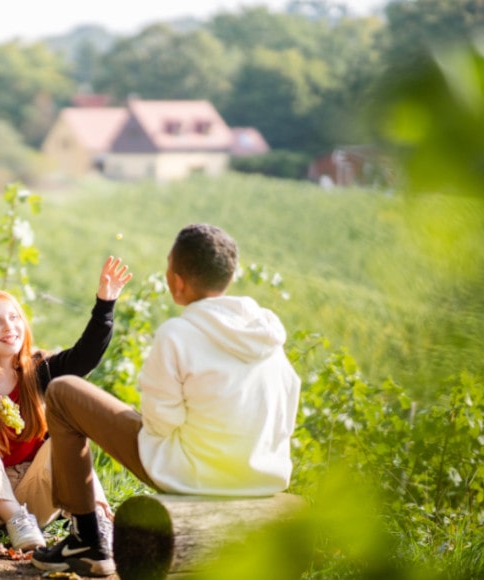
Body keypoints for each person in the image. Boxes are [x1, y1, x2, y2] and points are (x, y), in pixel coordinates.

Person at [31, 223, 302, 577]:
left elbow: (160, 423)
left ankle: (85, 538)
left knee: (64, 392)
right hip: (262, 476)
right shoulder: (269, 337)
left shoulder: (178, 334)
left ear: (176, 280)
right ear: (228, 275)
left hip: (193, 475)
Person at [0, 257, 133, 551]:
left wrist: (105, 305)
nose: (9, 326)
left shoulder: (40, 370)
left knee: (67, 438)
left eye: (14, 317)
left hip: (34, 499)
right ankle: (14, 518)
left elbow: (85, 357)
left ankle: (97, 523)